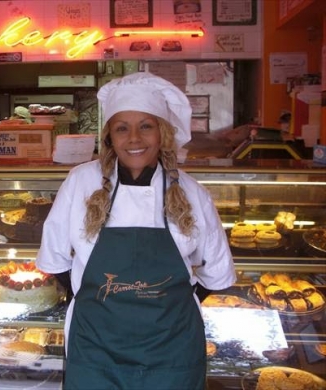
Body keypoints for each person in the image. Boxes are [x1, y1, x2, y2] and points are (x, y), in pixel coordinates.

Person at [36, 72, 236, 389]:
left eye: (146, 125)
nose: (134, 138)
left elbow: (216, 272)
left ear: (162, 133)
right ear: (110, 137)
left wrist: (171, 310)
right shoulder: (81, 181)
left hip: (172, 352)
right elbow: (54, 258)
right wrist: (95, 303)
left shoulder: (192, 192)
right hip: (95, 349)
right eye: (122, 128)